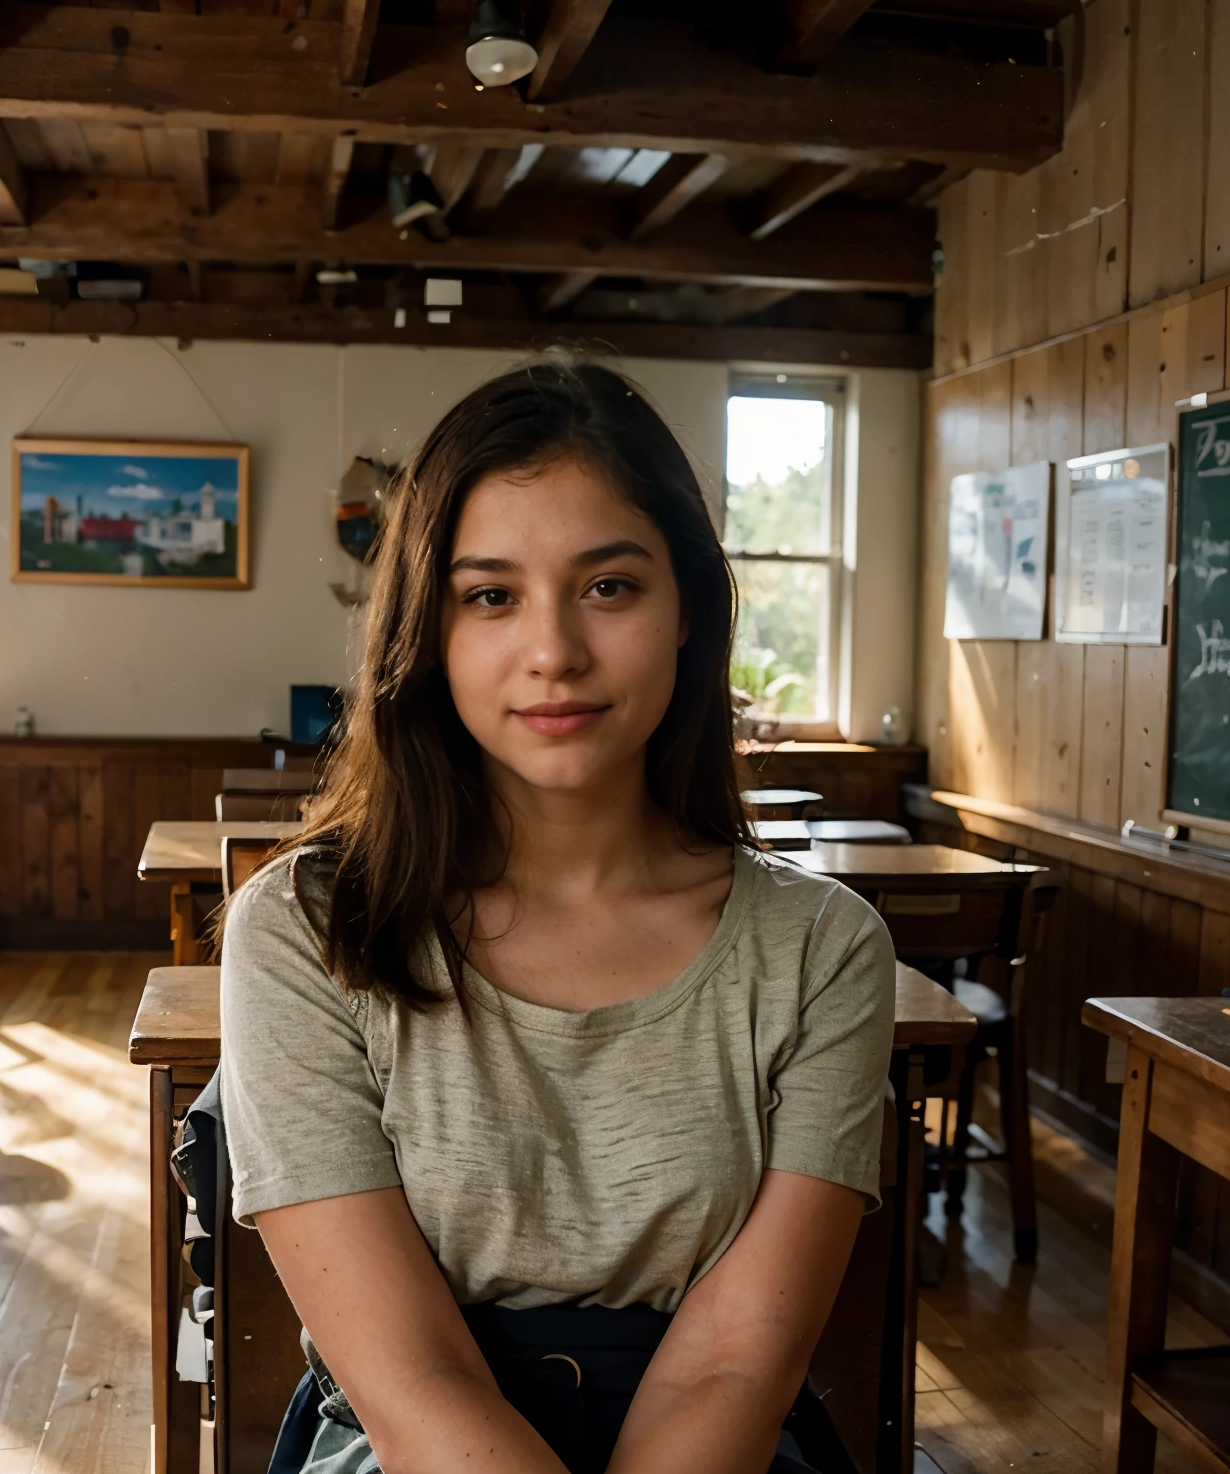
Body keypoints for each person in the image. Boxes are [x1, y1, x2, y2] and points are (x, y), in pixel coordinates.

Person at [219, 358, 896, 1474]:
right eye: (490, 596)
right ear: (426, 634)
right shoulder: (305, 932)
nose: (554, 653)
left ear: (688, 609)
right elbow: (409, 1379)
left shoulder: (820, 948)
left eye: (610, 586)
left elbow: (737, 1362)